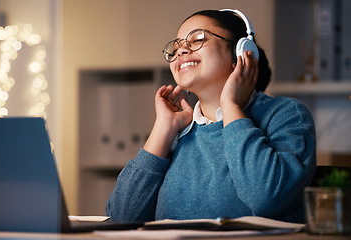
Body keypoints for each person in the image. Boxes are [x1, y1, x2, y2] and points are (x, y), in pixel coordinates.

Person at [105, 9, 316, 224]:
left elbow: (267, 197)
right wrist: (163, 128)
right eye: (176, 47)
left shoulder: (286, 114)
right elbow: (121, 217)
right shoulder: (179, 132)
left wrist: (231, 107)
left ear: (241, 52)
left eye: (197, 39)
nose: (181, 52)